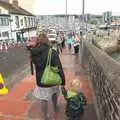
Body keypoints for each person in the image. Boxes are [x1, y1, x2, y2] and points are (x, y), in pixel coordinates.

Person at [28, 32, 65, 120]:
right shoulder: (52, 52)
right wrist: (63, 81)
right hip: (52, 79)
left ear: (38, 41)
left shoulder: (33, 52)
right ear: (47, 41)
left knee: (43, 99)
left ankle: (45, 116)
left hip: (41, 80)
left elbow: (33, 63)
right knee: (54, 93)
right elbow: (58, 67)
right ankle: (55, 106)